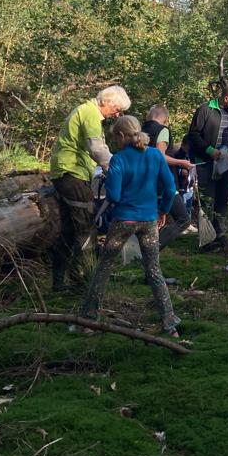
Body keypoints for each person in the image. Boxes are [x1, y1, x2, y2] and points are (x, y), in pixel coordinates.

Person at [79, 116, 180, 335]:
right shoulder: (155, 155)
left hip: (124, 220)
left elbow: (113, 194)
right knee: (153, 270)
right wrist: (163, 210)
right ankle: (169, 323)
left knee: (104, 268)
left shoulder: (118, 159)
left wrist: (110, 180)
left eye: (115, 136)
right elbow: (170, 188)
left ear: (122, 136)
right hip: (149, 220)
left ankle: (88, 320)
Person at [49, 85, 131, 290]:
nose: (117, 114)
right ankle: (83, 280)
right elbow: (97, 149)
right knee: (86, 227)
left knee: (68, 230)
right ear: (108, 102)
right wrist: (118, 168)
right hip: (72, 173)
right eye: (117, 109)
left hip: (67, 172)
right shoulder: (91, 114)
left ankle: (59, 282)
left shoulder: (86, 111)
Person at [188, 84, 228, 251]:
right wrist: (209, 150)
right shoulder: (206, 109)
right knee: (207, 200)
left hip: (224, 162)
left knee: (222, 198)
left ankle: (220, 234)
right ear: (226, 98)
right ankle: (206, 238)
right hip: (205, 161)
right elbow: (193, 134)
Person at [142, 105, 194, 241]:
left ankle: (143, 251)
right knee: (183, 220)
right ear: (165, 118)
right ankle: (155, 246)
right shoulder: (162, 130)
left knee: (151, 221)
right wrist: (181, 162)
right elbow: (160, 155)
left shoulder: (139, 130)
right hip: (162, 182)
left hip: (144, 183)